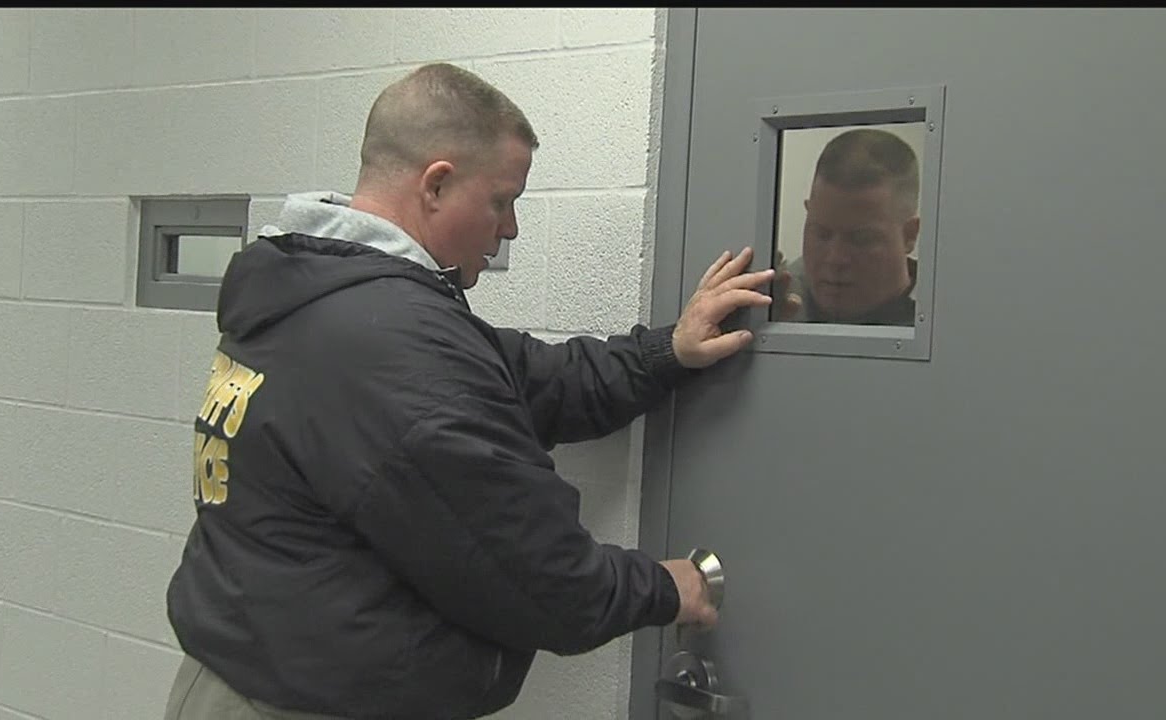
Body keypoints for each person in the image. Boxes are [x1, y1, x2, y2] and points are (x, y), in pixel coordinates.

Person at [163, 63, 774, 720]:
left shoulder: (317, 290)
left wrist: (670, 351)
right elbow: (543, 579)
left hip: (239, 679)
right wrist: (667, 586)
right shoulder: (393, 342)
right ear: (437, 184)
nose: (509, 229)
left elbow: (537, 378)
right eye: (501, 201)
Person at [773, 127, 921, 326]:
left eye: (861, 239)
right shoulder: (775, 305)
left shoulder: (941, 320)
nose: (835, 258)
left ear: (909, 235)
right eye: (821, 234)